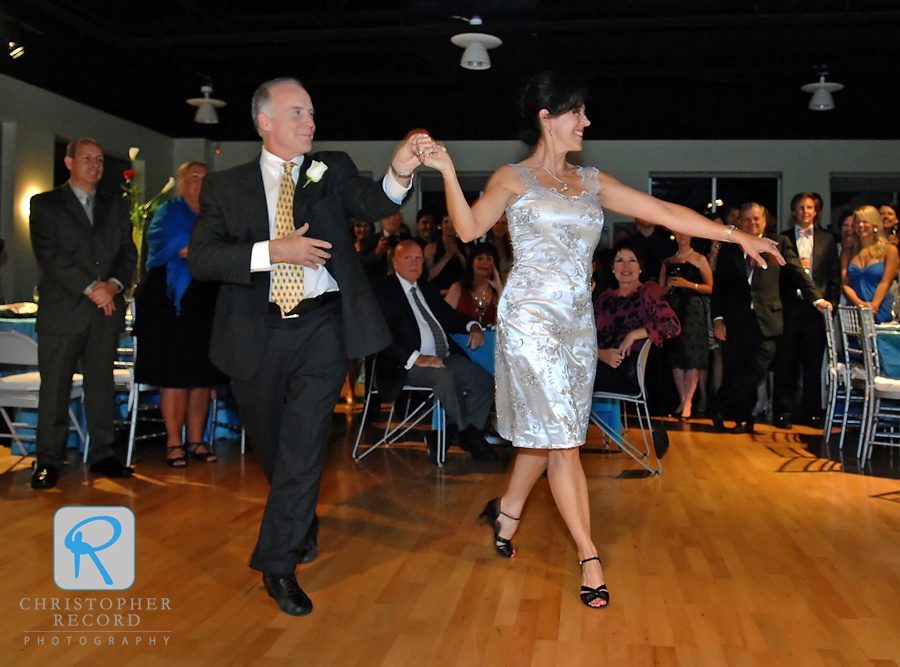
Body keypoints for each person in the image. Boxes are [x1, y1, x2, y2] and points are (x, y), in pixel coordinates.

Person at [417, 71, 783, 610]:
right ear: (547, 118)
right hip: (530, 324)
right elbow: (471, 229)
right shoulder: (513, 178)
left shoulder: (591, 180)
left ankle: (506, 517)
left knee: (547, 433)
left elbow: (663, 212)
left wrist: (738, 235)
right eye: (577, 113)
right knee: (564, 439)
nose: (586, 121)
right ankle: (589, 556)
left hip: (576, 325)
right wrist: (447, 170)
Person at [188, 77, 427, 617]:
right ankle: (299, 519)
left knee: (304, 447)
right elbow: (203, 259)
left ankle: (278, 565)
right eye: (298, 113)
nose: (310, 123)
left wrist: (401, 170)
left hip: (322, 328)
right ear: (265, 122)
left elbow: (371, 201)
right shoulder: (226, 187)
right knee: (276, 451)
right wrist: (276, 251)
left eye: (313, 113)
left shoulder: (330, 168)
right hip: (255, 334)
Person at [29, 138, 137, 489]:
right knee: (56, 389)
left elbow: (127, 252)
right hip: (64, 310)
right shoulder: (44, 204)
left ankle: (103, 454)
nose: (95, 164)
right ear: (69, 161)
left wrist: (114, 286)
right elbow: (50, 255)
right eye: (87, 158)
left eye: (100, 159)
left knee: (101, 385)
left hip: (105, 311)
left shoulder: (116, 205)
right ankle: (48, 459)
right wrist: (93, 288)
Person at [133, 161, 228, 466]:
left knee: (201, 376)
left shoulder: (215, 215)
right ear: (182, 182)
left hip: (205, 302)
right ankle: (174, 443)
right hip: (170, 302)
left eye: (206, 178)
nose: (200, 183)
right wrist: (215, 250)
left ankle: (196, 440)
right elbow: (182, 247)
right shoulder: (169, 212)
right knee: (174, 376)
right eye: (195, 177)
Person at [373, 240, 497, 462]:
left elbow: (450, 316)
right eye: (408, 258)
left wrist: (473, 326)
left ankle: (453, 434)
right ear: (395, 261)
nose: (415, 263)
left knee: (484, 381)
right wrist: (417, 358)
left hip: (443, 358)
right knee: (443, 376)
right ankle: (469, 435)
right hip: (405, 365)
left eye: (419, 258)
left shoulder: (426, 289)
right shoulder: (382, 290)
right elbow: (379, 337)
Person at [711, 202, 828, 434]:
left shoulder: (779, 244)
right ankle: (743, 419)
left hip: (768, 320)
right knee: (736, 369)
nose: (752, 223)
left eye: (757, 219)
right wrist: (717, 318)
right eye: (747, 219)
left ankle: (718, 403)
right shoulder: (729, 249)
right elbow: (720, 288)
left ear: (765, 221)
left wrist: (816, 299)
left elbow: (797, 272)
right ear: (739, 222)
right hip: (736, 321)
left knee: (757, 369)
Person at [772, 193, 841, 429]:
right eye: (800, 207)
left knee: (813, 363)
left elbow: (833, 276)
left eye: (809, 207)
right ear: (794, 211)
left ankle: (812, 413)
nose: (805, 211)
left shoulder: (828, 239)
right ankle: (783, 412)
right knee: (786, 362)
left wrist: (829, 306)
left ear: (816, 211)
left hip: (817, 310)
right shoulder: (782, 238)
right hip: (790, 307)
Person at [595, 242, 680, 396]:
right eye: (620, 261)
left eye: (632, 261)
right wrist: (600, 353)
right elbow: (584, 336)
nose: (625, 266)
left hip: (627, 370)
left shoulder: (648, 291)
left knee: (571, 376)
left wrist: (634, 334)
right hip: (599, 364)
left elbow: (672, 326)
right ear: (612, 267)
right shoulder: (605, 298)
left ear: (640, 267)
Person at [660, 232, 712, 420]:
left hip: (693, 310)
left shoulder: (699, 258)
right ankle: (682, 399)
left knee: (693, 355)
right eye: (678, 232)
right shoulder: (668, 261)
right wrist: (669, 287)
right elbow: (660, 289)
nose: (681, 236)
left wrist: (689, 284)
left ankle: (689, 400)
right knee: (676, 354)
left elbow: (711, 286)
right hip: (673, 309)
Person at [842, 204, 900, 324]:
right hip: (855, 310)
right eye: (857, 222)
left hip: (880, 308)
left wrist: (874, 306)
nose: (861, 226)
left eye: (865, 222)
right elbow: (845, 284)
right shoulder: (847, 253)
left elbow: (886, 281)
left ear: (875, 224)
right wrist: (860, 304)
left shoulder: (889, 250)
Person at [445, 242, 504, 328]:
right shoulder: (458, 288)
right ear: (472, 263)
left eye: (489, 259)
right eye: (479, 258)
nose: (484, 262)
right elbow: (445, 318)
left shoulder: (501, 291)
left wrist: (499, 290)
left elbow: (510, 321)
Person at [361, 210, 411, 278]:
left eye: (395, 214)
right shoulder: (367, 242)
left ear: (401, 217)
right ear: (381, 218)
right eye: (388, 214)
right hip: (378, 284)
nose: (391, 218)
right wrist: (377, 254)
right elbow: (361, 268)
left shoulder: (410, 242)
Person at [424, 214, 467, 292]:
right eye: (446, 222)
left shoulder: (465, 249)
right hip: (437, 291)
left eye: (453, 222)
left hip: (458, 292)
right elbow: (428, 275)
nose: (449, 225)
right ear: (441, 225)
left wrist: (460, 256)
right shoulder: (431, 248)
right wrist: (447, 256)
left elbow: (469, 274)